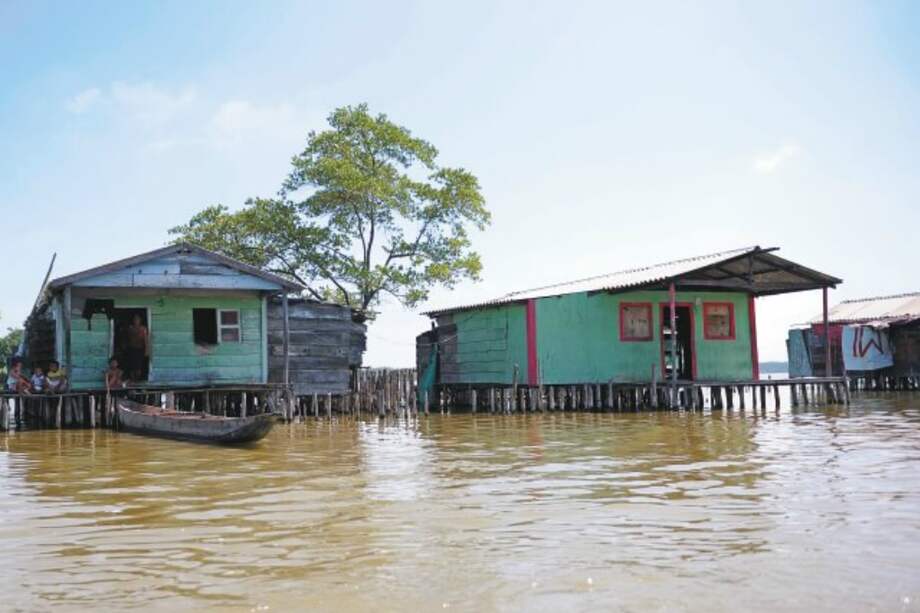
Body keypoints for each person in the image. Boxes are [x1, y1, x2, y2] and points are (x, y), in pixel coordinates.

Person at [125, 314, 149, 381]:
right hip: (131, 348)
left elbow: (145, 340)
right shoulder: (130, 328)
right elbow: (126, 338)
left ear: (140, 320)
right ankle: (132, 379)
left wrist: (147, 350)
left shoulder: (143, 328)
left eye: (137, 319)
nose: (136, 321)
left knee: (138, 366)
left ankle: (137, 380)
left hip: (139, 349)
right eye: (135, 319)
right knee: (131, 365)